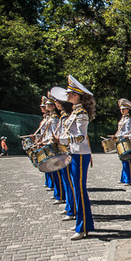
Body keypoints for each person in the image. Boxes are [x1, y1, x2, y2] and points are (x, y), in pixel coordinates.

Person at [55, 75, 95, 240]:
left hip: (80, 155)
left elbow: (81, 137)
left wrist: (62, 140)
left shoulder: (81, 114)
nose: (68, 95)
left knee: (79, 191)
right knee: (76, 190)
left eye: (71, 93)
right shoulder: (75, 112)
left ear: (78, 95)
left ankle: (83, 226)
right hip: (74, 154)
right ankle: (82, 222)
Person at [51, 87, 76, 222]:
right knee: (67, 181)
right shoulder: (64, 117)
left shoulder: (68, 116)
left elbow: (73, 136)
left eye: (56, 102)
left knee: (70, 182)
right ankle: (69, 206)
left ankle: (72, 208)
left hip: (67, 150)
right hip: (63, 149)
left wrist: (59, 141)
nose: (55, 104)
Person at [42, 95, 66, 205]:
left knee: (57, 172)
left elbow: (56, 133)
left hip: (55, 145)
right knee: (54, 171)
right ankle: (58, 193)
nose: (46, 106)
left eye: (47, 104)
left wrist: (48, 141)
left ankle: (60, 195)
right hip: (50, 143)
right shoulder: (52, 117)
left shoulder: (56, 118)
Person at [112, 99, 131, 186]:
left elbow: (127, 132)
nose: (122, 110)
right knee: (123, 159)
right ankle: (124, 178)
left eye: (124, 109)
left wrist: (118, 136)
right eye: (121, 109)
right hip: (120, 140)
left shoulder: (129, 119)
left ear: (128, 109)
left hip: (125, 140)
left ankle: (129, 179)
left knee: (127, 159)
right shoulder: (123, 118)